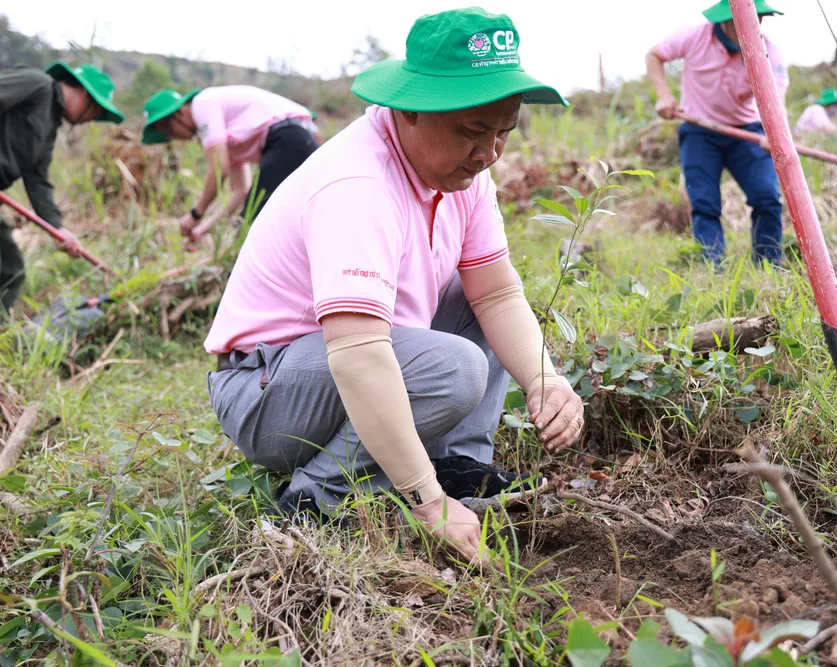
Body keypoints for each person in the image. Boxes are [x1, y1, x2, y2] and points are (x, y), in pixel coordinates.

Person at [202, 7, 583, 564]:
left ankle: (458, 466)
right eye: (473, 131)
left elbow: (497, 292)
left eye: (503, 132)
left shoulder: (465, 174)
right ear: (409, 111)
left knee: (474, 302)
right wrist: (426, 503)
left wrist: (544, 379)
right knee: (453, 367)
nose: (489, 153)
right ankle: (315, 497)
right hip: (267, 387)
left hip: (343, 361)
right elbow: (357, 356)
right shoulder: (358, 186)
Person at [646, 0, 788, 265]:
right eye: (744, 18)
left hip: (747, 132)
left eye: (758, 18)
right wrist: (664, 96)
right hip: (700, 130)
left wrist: (774, 132)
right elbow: (654, 55)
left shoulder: (768, 51)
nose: (752, 25)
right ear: (726, 19)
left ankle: (768, 265)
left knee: (767, 197)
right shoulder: (694, 36)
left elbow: (777, 97)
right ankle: (713, 266)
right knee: (704, 203)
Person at [0, 62, 124, 316]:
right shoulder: (37, 84)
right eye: (94, 112)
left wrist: (58, 229)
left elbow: (37, 182)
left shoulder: (48, 129)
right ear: (85, 96)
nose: (88, 120)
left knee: (10, 270)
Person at [140, 85, 319, 249]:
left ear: (177, 114)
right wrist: (203, 228)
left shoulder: (202, 104)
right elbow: (240, 191)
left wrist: (196, 214)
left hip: (290, 138)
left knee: (253, 226)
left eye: (167, 130)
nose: (172, 137)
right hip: (297, 142)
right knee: (255, 222)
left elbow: (219, 170)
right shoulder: (228, 133)